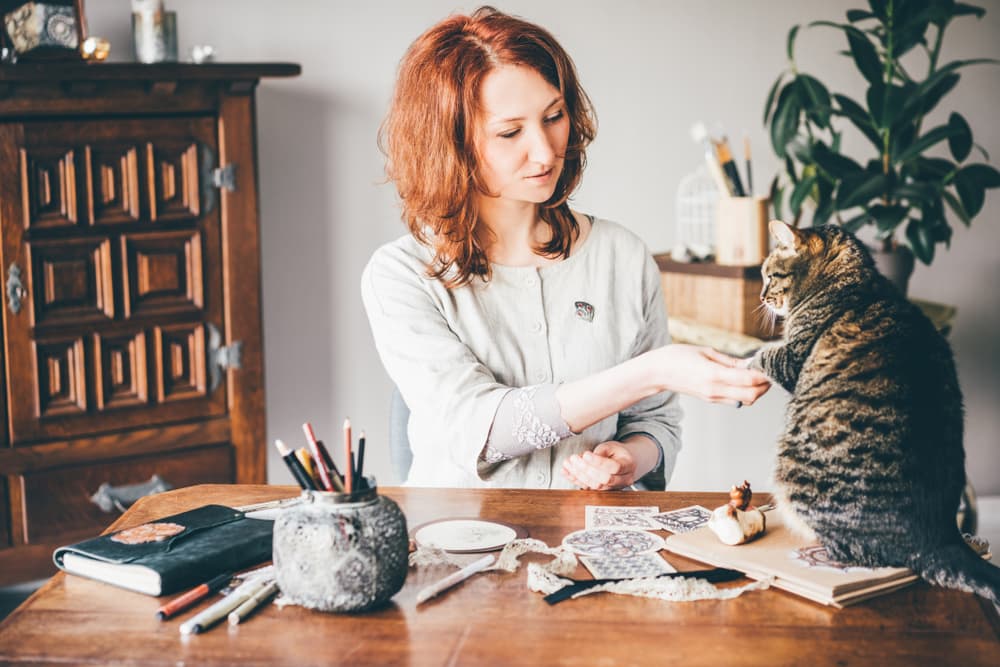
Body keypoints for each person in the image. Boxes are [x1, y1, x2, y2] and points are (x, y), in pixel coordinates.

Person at [362, 6, 770, 490]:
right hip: (458, 544)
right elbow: (482, 428)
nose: (546, 149)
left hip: (592, 540)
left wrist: (630, 459)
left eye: (554, 116)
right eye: (511, 132)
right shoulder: (402, 275)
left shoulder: (622, 256)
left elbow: (656, 424)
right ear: (450, 145)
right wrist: (654, 370)